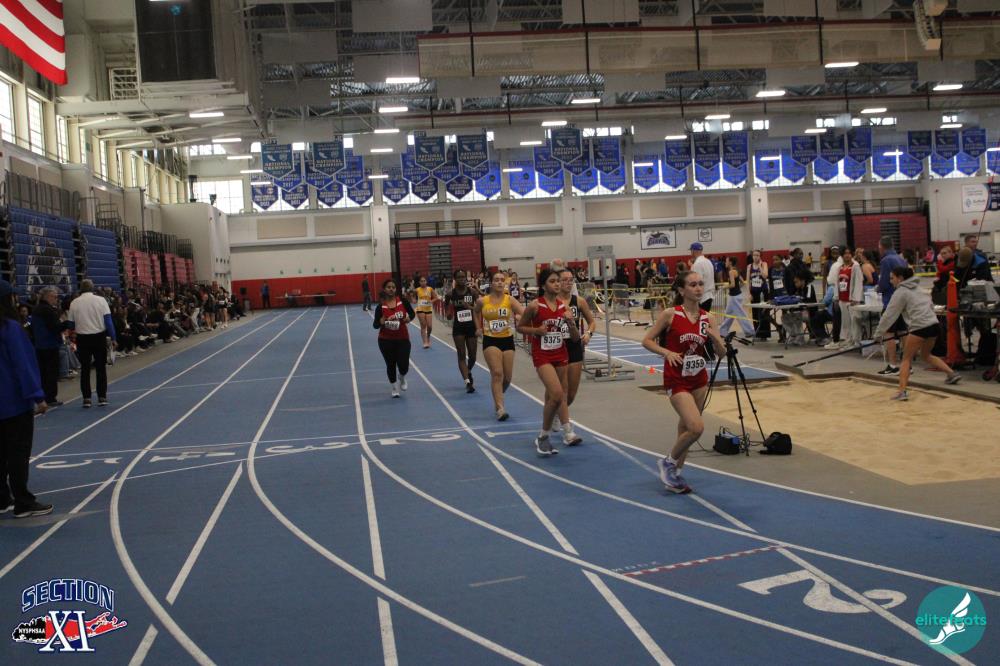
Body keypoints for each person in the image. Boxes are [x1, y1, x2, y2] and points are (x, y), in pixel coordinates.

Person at [641, 271, 726, 494]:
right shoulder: (671, 314)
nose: (698, 288)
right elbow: (647, 340)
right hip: (676, 379)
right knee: (696, 427)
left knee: (686, 428)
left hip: (699, 379)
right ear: (681, 290)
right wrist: (667, 352)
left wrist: (716, 340)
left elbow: (721, 354)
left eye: (700, 284)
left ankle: (676, 474)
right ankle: (667, 463)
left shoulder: (709, 318)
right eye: (692, 284)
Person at [0, 279, 53, 518]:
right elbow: (22, 364)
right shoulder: (10, 328)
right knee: (18, 452)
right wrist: (37, 396)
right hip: (13, 402)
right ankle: (23, 501)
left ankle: (2, 498)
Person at [516, 268, 580, 457]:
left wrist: (571, 323)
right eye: (553, 281)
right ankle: (545, 435)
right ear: (543, 285)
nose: (557, 284)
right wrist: (536, 331)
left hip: (561, 353)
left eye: (558, 281)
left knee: (558, 396)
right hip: (542, 355)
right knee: (557, 394)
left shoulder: (564, 307)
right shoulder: (535, 306)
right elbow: (520, 327)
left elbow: (575, 338)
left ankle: (555, 433)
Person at [875, 266, 961, 401]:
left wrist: (877, 334)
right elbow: (930, 306)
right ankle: (951, 374)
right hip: (934, 325)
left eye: (892, 278)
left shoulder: (901, 292)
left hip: (919, 327)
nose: (891, 281)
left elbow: (889, 315)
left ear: (900, 278)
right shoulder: (920, 289)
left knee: (906, 359)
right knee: (926, 355)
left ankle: (902, 392)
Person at [475, 271, 524, 421]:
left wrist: (519, 317)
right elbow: (475, 312)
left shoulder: (510, 300)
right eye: (496, 280)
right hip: (490, 340)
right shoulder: (483, 301)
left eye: (502, 280)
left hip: (507, 340)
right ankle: (500, 408)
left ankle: (498, 397)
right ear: (491, 283)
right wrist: (478, 327)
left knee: (507, 378)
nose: (499, 282)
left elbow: (524, 313)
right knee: (497, 373)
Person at [67, 279, 116, 408]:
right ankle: (102, 396)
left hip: (82, 338)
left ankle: (87, 398)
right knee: (101, 368)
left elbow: (70, 324)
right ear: (93, 288)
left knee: (85, 369)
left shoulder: (74, 303)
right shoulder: (101, 300)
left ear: (81, 289)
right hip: (99, 337)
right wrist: (113, 338)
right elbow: (108, 321)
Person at [558, 268, 594, 445]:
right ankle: (567, 430)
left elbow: (592, 322)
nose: (568, 282)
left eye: (570, 279)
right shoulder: (552, 302)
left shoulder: (578, 301)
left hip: (574, 346)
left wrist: (588, 333)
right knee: (562, 391)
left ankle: (556, 412)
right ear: (557, 282)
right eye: (564, 279)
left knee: (571, 393)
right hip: (557, 347)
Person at [373, 278, 414, 398]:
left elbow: (412, 313)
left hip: (402, 338)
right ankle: (394, 387)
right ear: (384, 289)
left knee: (404, 365)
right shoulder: (380, 307)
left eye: (393, 287)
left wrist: (408, 318)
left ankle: (402, 377)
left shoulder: (403, 302)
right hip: (385, 340)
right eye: (389, 287)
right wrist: (381, 322)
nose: (391, 289)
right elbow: (375, 325)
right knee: (390, 364)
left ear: (396, 289)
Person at [876, 236, 909, 375]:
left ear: (882, 247)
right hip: (903, 299)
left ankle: (893, 365)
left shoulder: (886, 260)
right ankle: (907, 365)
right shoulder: (901, 259)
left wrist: (878, 288)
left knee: (888, 333)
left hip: (891, 301)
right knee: (902, 332)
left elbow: (884, 282)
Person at [446, 269, 480, 393]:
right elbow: (447, 309)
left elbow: (479, 309)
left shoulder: (473, 292)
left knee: (473, 356)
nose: (461, 279)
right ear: (455, 279)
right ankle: (467, 382)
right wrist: (449, 314)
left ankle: (468, 370)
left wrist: (469, 307)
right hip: (458, 327)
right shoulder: (450, 294)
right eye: (459, 277)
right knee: (461, 355)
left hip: (471, 326)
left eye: (463, 277)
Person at [31, 287, 66, 407]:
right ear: (47, 297)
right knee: (51, 372)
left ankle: (44, 396)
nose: (56, 299)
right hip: (49, 345)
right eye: (54, 297)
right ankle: (50, 397)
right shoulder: (48, 310)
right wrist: (66, 324)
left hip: (39, 345)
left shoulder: (36, 309)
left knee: (43, 373)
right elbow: (55, 327)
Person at [833, 247, 864, 350]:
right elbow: (837, 283)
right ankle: (848, 341)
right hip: (842, 299)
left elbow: (859, 282)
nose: (847, 255)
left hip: (852, 300)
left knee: (854, 321)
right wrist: (836, 296)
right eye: (845, 253)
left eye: (849, 253)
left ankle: (856, 342)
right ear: (842, 255)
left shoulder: (855, 266)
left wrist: (856, 298)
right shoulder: (840, 268)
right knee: (846, 322)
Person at [719, 256, 755, 339]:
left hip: (735, 297)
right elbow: (742, 282)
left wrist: (724, 287)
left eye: (726, 261)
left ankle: (749, 331)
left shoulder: (731, 272)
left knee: (740, 314)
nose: (725, 263)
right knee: (728, 314)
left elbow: (732, 285)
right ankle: (723, 331)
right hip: (735, 296)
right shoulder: (736, 270)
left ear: (730, 262)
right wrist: (737, 289)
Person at [747, 250, 770, 340]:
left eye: (757, 255)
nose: (756, 257)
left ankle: (764, 334)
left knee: (764, 313)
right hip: (754, 292)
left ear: (760, 256)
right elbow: (748, 281)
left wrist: (760, 267)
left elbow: (765, 276)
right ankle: (757, 333)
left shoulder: (764, 264)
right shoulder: (749, 266)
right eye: (754, 255)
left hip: (763, 292)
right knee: (755, 313)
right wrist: (749, 293)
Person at [824, 246, 844, 348]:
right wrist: (825, 290)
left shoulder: (841, 264)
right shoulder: (829, 263)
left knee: (838, 318)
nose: (835, 254)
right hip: (832, 290)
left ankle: (837, 339)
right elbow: (826, 278)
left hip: (839, 293)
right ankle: (837, 339)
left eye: (837, 252)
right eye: (833, 253)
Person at [412, 275, 437, 349]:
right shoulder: (417, 290)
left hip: (428, 309)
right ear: (419, 282)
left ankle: (428, 336)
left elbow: (436, 297)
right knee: (423, 325)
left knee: (429, 326)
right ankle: (425, 342)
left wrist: (431, 301)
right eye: (421, 281)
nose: (423, 282)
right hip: (420, 309)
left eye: (424, 281)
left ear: (426, 282)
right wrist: (414, 299)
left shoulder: (430, 289)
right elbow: (412, 295)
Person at [689, 242, 716, 314]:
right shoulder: (708, 261)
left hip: (702, 298)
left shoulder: (697, 264)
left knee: (699, 319)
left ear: (693, 251)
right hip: (709, 295)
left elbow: (696, 282)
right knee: (704, 318)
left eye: (691, 251)